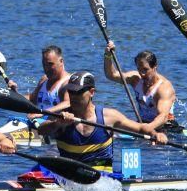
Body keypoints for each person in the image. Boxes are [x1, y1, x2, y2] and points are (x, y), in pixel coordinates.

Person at [37, 72, 166, 172]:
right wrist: (57, 124)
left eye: (78, 92)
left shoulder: (109, 117)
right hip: (70, 175)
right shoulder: (61, 116)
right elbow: (41, 130)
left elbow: (140, 128)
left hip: (102, 180)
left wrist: (156, 134)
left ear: (91, 92)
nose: (73, 96)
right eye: (70, 91)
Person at [103, 41, 180, 132]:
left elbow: (162, 117)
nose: (142, 74)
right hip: (144, 124)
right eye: (139, 69)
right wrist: (108, 56)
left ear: (155, 67)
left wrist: (147, 128)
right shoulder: (135, 79)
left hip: (165, 127)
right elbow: (111, 75)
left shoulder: (164, 88)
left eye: (145, 70)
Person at [7, 45, 70, 117]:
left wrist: (41, 113)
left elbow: (67, 103)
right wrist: (15, 94)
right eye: (44, 64)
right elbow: (32, 99)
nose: (46, 68)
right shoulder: (44, 80)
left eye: (50, 64)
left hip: (54, 125)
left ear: (61, 61)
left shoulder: (68, 82)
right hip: (37, 122)